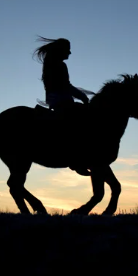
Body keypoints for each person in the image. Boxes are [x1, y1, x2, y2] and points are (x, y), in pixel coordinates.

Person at [33, 36, 92, 176]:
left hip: (56, 101)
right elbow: (66, 86)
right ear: (61, 50)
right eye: (68, 50)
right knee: (82, 125)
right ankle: (77, 160)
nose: (70, 53)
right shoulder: (59, 65)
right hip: (62, 102)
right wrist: (83, 97)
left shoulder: (50, 64)